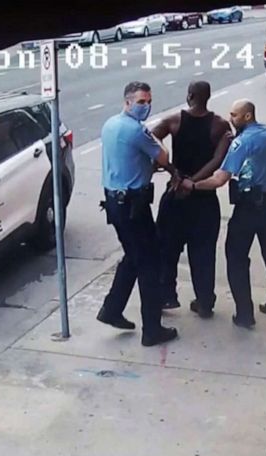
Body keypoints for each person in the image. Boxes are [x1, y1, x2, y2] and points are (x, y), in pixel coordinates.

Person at [180, 99, 266, 329]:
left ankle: (244, 313)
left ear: (247, 116)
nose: (231, 119)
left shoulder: (243, 142)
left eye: (234, 115)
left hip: (249, 208)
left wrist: (193, 185)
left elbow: (220, 178)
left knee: (236, 258)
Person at [97, 81, 181, 347]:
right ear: (127, 102)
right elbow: (164, 157)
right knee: (149, 264)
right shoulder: (136, 131)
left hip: (116, 203)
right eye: (141, 102)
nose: (146, 106)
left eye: (148, 101)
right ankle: (152, 329)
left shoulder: (110, 124)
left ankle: (112, 309)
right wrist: (153, 139)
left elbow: (130, 159)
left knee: (134, 256)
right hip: (133, 207)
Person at [151, 81, 233, 319]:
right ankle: (205, 301)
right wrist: (194, 182)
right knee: (203, 253)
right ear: (208, 97)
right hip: (204, 198)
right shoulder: (219, 125)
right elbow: (218, 160)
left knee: (167, 248)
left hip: (175, 195)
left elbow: (151, 141)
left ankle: (167, 295)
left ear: (189, 96)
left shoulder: (173, 121)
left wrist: (174, 172)